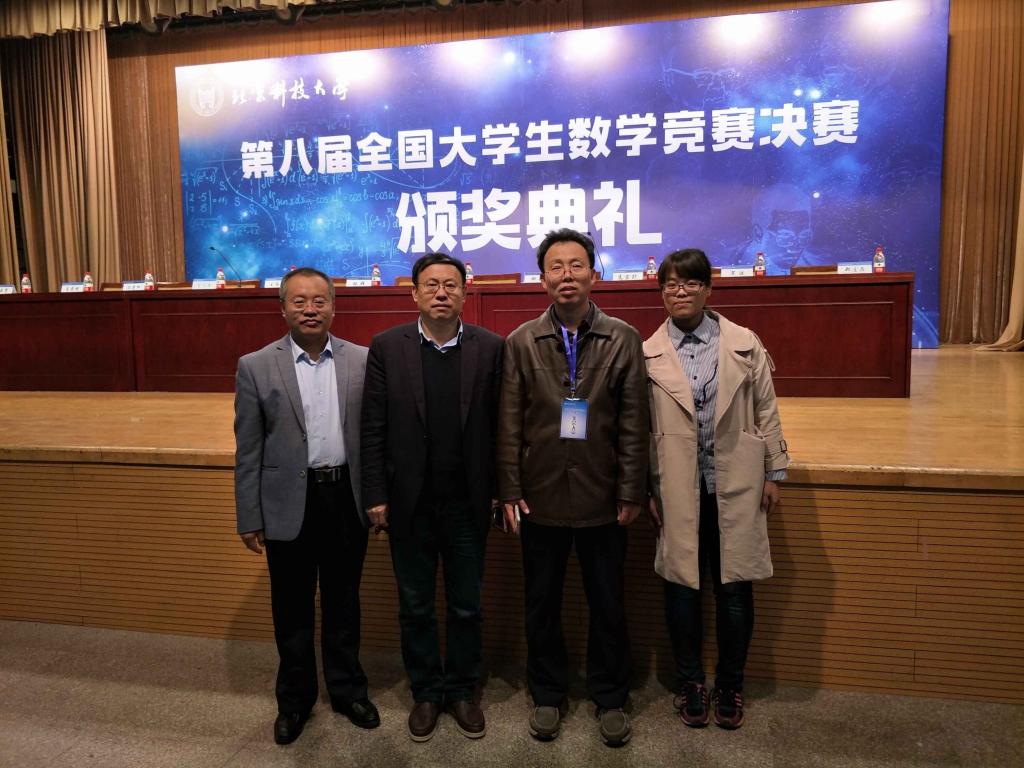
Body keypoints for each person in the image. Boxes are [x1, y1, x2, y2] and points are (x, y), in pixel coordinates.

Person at [497, 228, 649, 747]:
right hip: (539, 496)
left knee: (608, 602)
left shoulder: (623, 338)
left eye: (576, 265)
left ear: (594, 274)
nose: (567, 275)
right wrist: (510, 489)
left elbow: (634, 423)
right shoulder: (521, 341)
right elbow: (508, 423)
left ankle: (611, 696)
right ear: (543, 279)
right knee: (541, 602)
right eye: (556, 267)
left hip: (603, 497)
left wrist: (630, 491)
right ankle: (547, 693)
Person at [644, 248, 790, 730]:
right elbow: (639, 429)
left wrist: (773, 471)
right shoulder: (648, 352)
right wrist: (645, 488)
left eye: (690, 283)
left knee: (734, 590)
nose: (680, 292)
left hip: (735, 480)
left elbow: (766, 409)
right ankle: (690, 683)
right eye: (670, 284)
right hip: (676, 486)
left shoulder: (743, 343)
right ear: (661, 292)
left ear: (708, 289)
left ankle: (730, 683)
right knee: (682, 588)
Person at [361, 253, 503, 742]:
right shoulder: (387, 347)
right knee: (415, 605)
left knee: (467, 606)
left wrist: (501, 491)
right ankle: (426, 691)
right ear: (414, 293)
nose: (441, 292)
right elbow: (373, 426)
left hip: (468, 503)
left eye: (451, 285)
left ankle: (462, 690)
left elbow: (501, 426)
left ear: (465, 292)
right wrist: (376, 494)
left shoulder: (490, 347)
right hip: (409, 503)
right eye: (431, 285)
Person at [234, 267, 379, 745]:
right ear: (283, 309)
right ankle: (294, 701)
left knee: (344, 602)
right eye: (299, 301)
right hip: (286, 502)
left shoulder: (362, 360)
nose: (310, 309)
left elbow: (375, 438)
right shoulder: (255, 365)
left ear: (334, 306)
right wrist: (249, 515)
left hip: (345, 499)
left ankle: (347, 691)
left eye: (319, 300)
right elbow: (248, 449)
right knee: (291, 608)